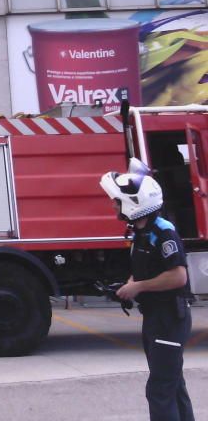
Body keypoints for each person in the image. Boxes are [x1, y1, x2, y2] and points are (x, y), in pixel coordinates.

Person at [100, 158, 196, 421]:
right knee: (173, 385)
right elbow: (146, 270)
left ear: (135, 203)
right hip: (155, 317)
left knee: (159, 390)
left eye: (117, 201)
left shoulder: (163, 232)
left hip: (169, 319)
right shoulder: (141, 233)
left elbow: (178, 276)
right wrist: (130, 286)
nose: (113, 205)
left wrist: (139, 286)